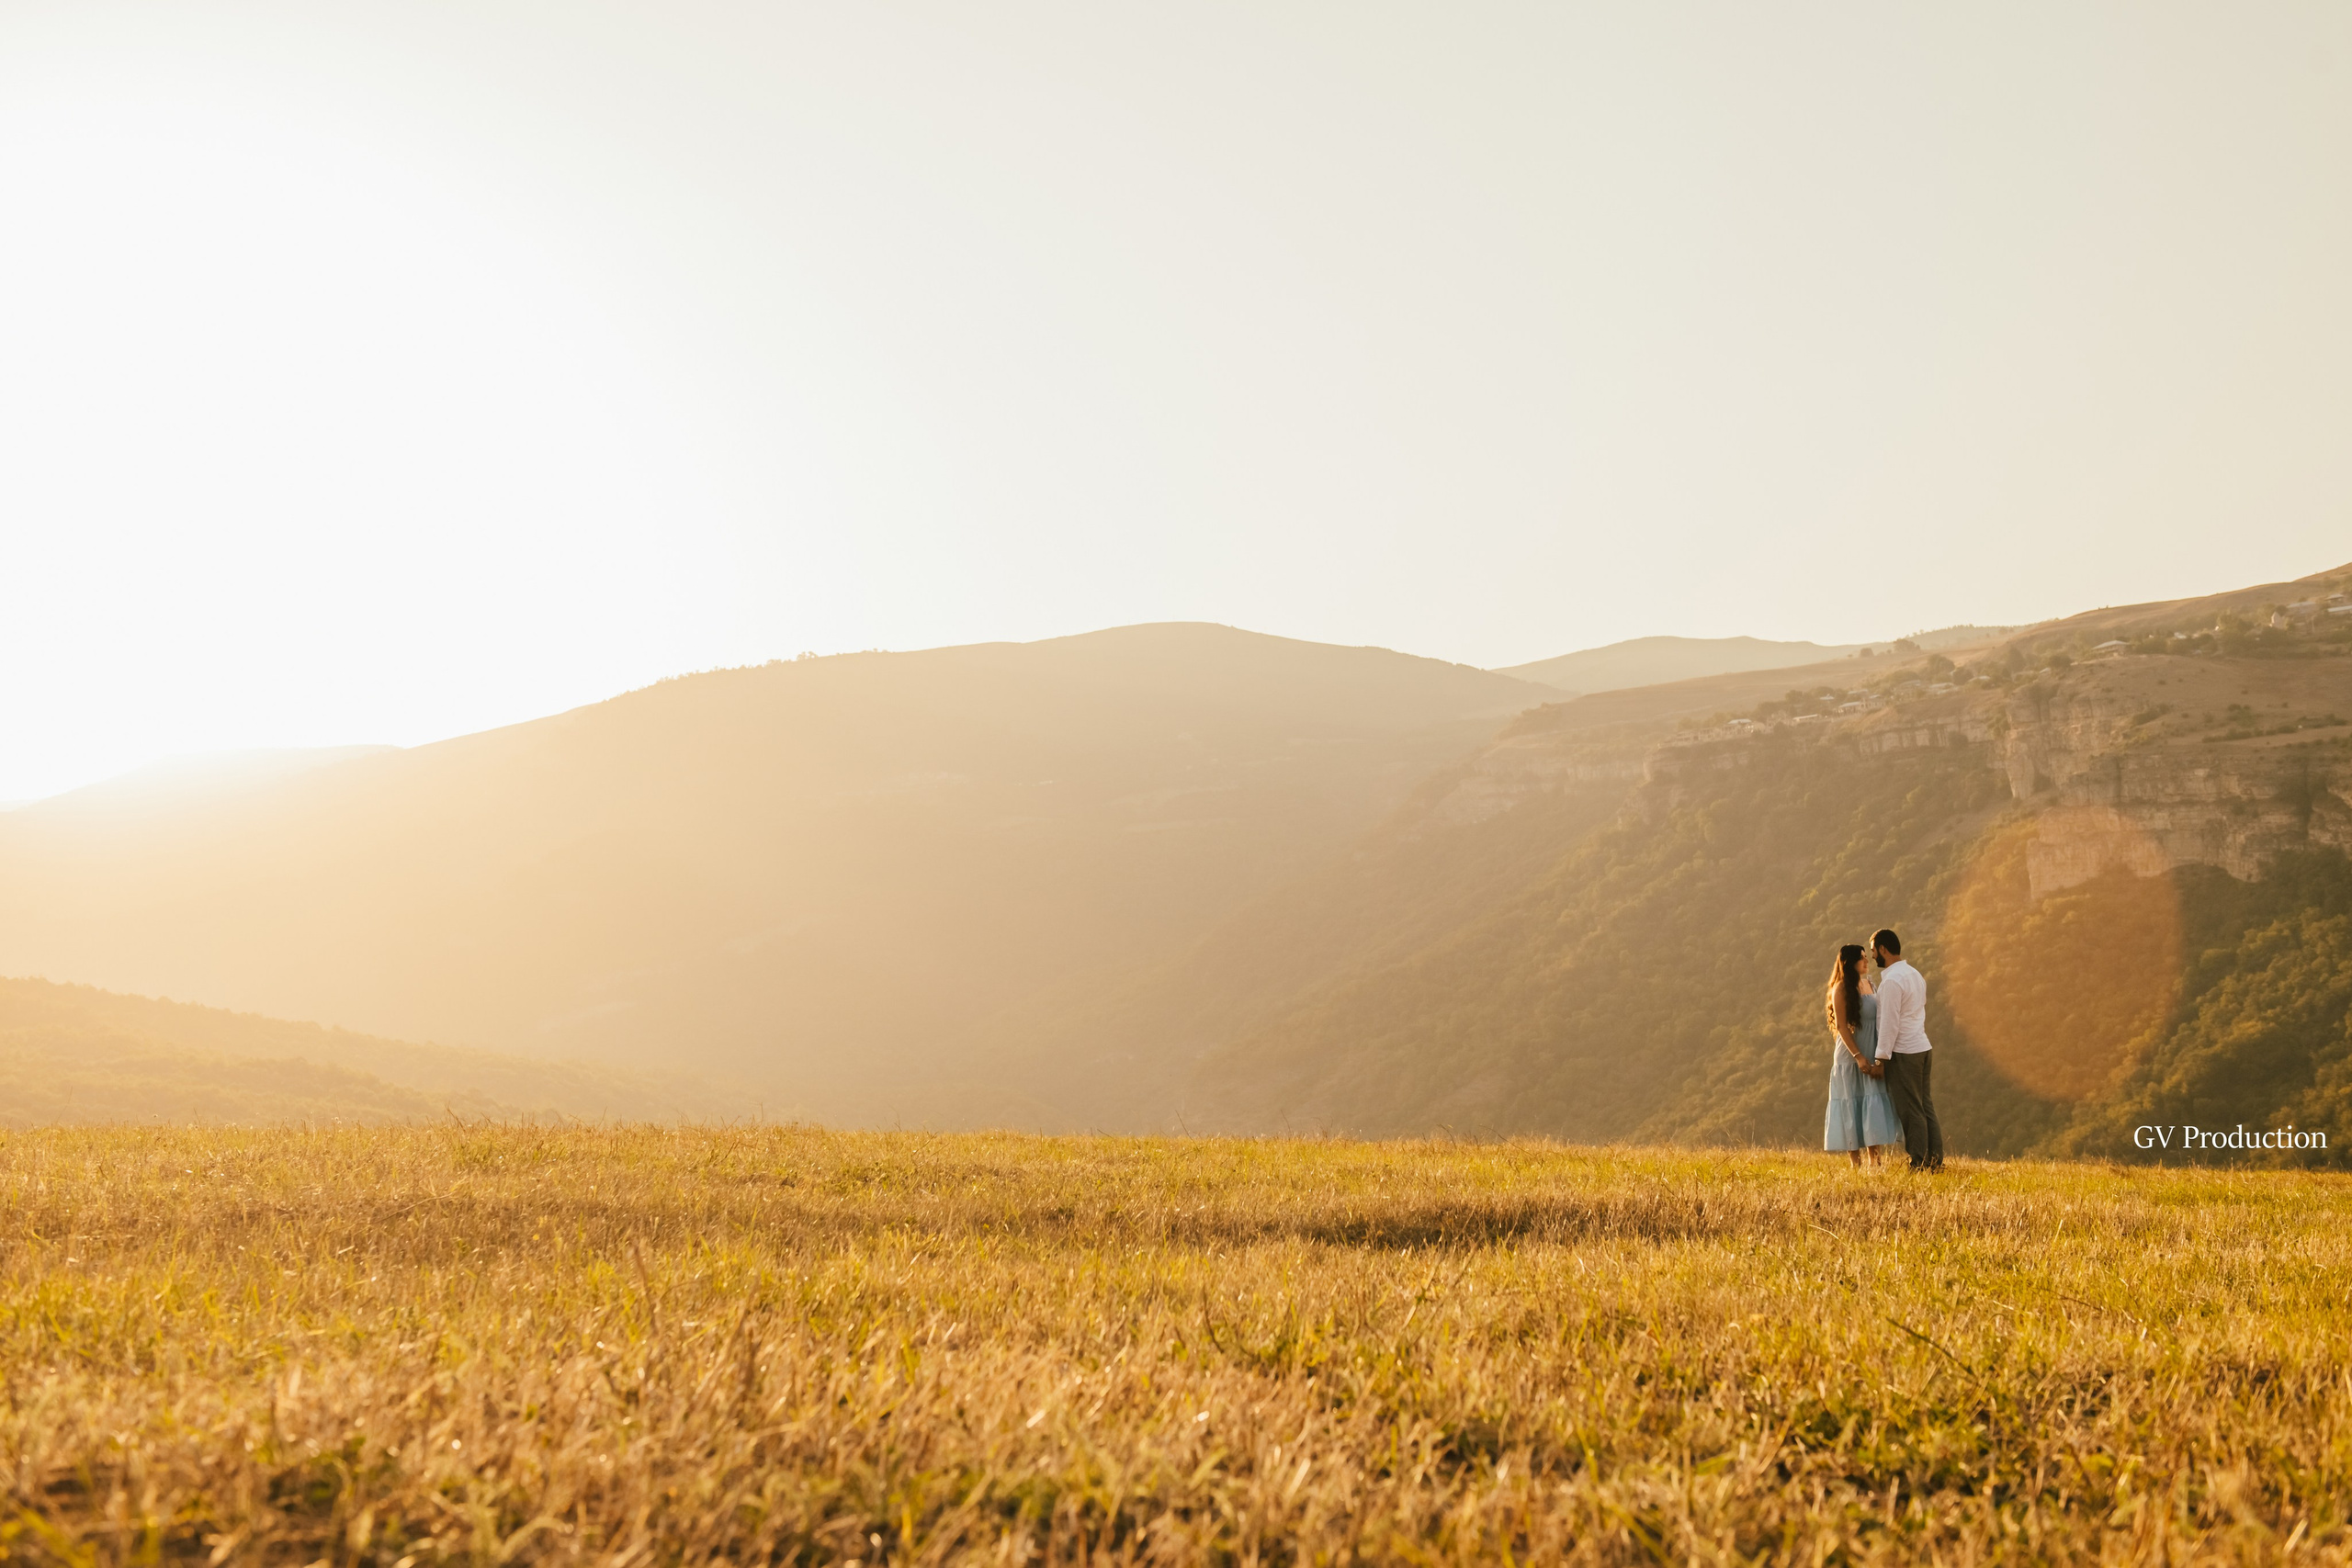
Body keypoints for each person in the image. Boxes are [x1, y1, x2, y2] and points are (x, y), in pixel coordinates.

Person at [1871, 927, 1943, 1171]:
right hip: (1922, 1046)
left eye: (1873, 951)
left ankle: (1918, 1163)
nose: (1872, 957)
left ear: (1883, 949)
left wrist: (1881, 1059)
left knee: (1911, 1109)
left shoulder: (1891, 981)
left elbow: (1889, 1023)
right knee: (1925, 1105)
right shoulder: (1915, 974)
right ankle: (1934, 1160)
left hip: (1904, 1052)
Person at [1823, 942, 1901, 1167]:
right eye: (1862, 958)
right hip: (1851, 1056)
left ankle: (1875, 1161)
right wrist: (1858, 1056)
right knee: (1850, 1105)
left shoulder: (1871, 984)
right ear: (1850, 963)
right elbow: (1842, 1027)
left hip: (1871, 1051)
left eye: (1867, 957)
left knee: (1871, 1104)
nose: (1867, 961)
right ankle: (1855, 1164)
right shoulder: (1841, 989)